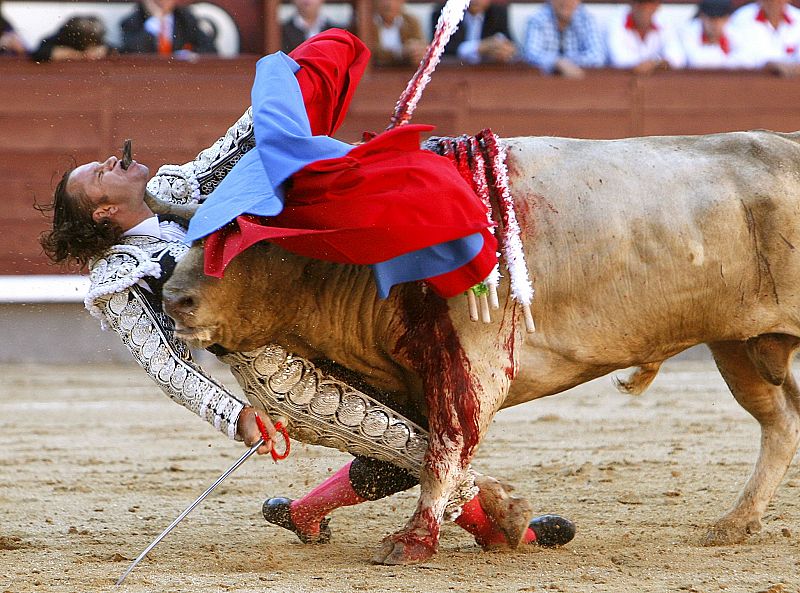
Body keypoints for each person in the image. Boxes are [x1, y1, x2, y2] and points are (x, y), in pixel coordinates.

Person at [39, 29, 575, 551]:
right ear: (104, 211)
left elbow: (246, 145)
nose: (113, 160)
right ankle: (504, 528)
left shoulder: (177, 186)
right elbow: (171, 366)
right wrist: (238, 416)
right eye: (97, 174)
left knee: (420, 421)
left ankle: (306, 511)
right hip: (275, 367)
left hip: (323, 325)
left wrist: (287, 85)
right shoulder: (120, 280)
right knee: (414, 444)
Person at [522, 0, 606, 77]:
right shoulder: (537, 19)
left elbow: (597, 56)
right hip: (544, 85)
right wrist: (556, 62)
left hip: (580, 83)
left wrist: (566, 62)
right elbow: (531, 54)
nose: (566, 1)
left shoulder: (586, 19)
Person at [606, 0, 686, 74]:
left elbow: (678, 58)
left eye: (650, 3)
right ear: (632, 4)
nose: (645, 8)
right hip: (622, 82)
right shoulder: (616, 21)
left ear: (657, 5)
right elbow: (619, 59)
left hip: (657, 83)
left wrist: (655, 63)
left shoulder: (664, 22)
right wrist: (654, 64)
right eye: (640, 3)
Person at [726, 0, 800, 74]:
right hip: (754, 81)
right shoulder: (741, 18)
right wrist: (768, 66)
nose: (774, 2)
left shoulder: (798, 18)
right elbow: (737, 59)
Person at [433, 0, 517, 64]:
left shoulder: (498, 13)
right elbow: (442, 50)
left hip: (487, 72)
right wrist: (479, 48)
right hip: (454, 73)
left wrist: (505, 49)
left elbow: (510, 44)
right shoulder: (445, 13)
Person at [120, 0, 217, 56]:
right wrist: (155, 22)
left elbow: (210, 49)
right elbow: (131, 53)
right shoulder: (132, 21)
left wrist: (189, 55)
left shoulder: (185, 18)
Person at [360, 0, 427, 67]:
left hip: (405, 75)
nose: (388, 3)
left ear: (402, 2)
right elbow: (369, 53)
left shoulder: (412, 22)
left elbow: (422, 47)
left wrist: (418, 51)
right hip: (375, 75)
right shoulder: (364, 24)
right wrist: (400, 53)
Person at [679, 0, 740, 68]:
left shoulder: (735, 32)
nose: (715, 24)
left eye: (720, 18)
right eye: (711, 19)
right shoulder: (688, 32)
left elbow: (745, 59)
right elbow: (697, 61)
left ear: (727, 18)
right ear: (702, 17)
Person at [31, 15, 109, 63]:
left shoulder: (99, 42)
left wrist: (103, 50)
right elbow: (38, 53)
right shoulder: (60, 39)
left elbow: (114, 49)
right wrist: (68, 53)